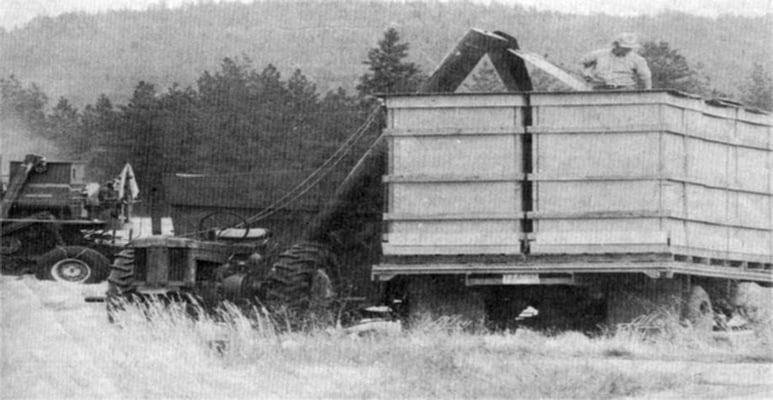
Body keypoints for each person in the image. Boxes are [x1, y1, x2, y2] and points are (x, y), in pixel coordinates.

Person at [581, 33, 652, 90]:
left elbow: (646, 77)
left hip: (625, 90)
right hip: (600, 89)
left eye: (629, 48)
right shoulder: (598, 55)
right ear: (616, 45)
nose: (627, 51)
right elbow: (580, 64)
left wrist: (647, 92)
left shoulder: (637, 59)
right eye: (624, 48)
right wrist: (585, 75)